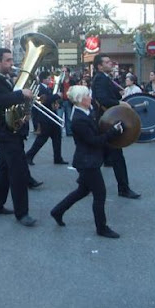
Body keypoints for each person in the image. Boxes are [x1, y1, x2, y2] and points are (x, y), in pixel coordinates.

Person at [51, 86, 123, 238]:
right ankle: (101, 228)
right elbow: (94, 141)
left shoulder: (87, 110)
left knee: (82, 191)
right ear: (80, 100)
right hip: (87, 162)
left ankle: (57, 211)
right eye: (88, 96)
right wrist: (113, 132)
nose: (90, 97)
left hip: (89, 159)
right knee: (100, 194)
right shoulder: (79, 119)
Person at [0, 48, 38, 227]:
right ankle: (22, 214)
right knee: (18, 173)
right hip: (5, 133)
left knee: (4, 170)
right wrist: (20, 94)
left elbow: (12, 103)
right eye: (8, 60)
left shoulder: (6, 79)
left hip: (12, 130)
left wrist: (25, 111)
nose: (11, 63)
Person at [91, 54, 141, 199]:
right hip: (107, 122)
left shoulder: (105, 78)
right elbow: (103, 99)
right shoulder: (100, 79)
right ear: (100, 66)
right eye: (106, 62)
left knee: (99, 154)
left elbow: (110, 96)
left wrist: (119, 94)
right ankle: (123, 189)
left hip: (106, 121)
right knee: (117, 156)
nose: (110, 63)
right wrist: (120, 103)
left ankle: (85, 183)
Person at [25, 71, 68, 166]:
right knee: (42, 139)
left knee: (57, 136)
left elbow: (49, 101)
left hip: (51, 115)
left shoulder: (47, 88)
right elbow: (44, 101)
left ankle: (58, 157)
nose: (50, 80)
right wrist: (57, 96)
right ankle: (29, 156)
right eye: (48, 78)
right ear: (43, 79)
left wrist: (55, 103)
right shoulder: (39, 88)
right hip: (45, 117)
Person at [57, 67, 75, 136]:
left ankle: (69, 131)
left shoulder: (72, 80)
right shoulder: (59, 81)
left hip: (69, 101)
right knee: (59, 117)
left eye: (65, 71)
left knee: (69, 117)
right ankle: (59, 132)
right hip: (60, 101)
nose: (63, 73)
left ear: (68, 72)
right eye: (62, 71)